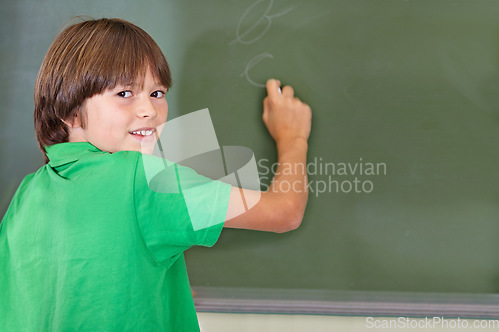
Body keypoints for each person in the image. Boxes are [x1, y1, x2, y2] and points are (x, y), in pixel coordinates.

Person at [0, 18, 311, 331]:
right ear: (70, 111)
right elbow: (284, 212)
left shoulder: (27, 195)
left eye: (157, 93)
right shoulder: (143, 179)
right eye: (124, 94)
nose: (149, 110)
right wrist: (292, 138)